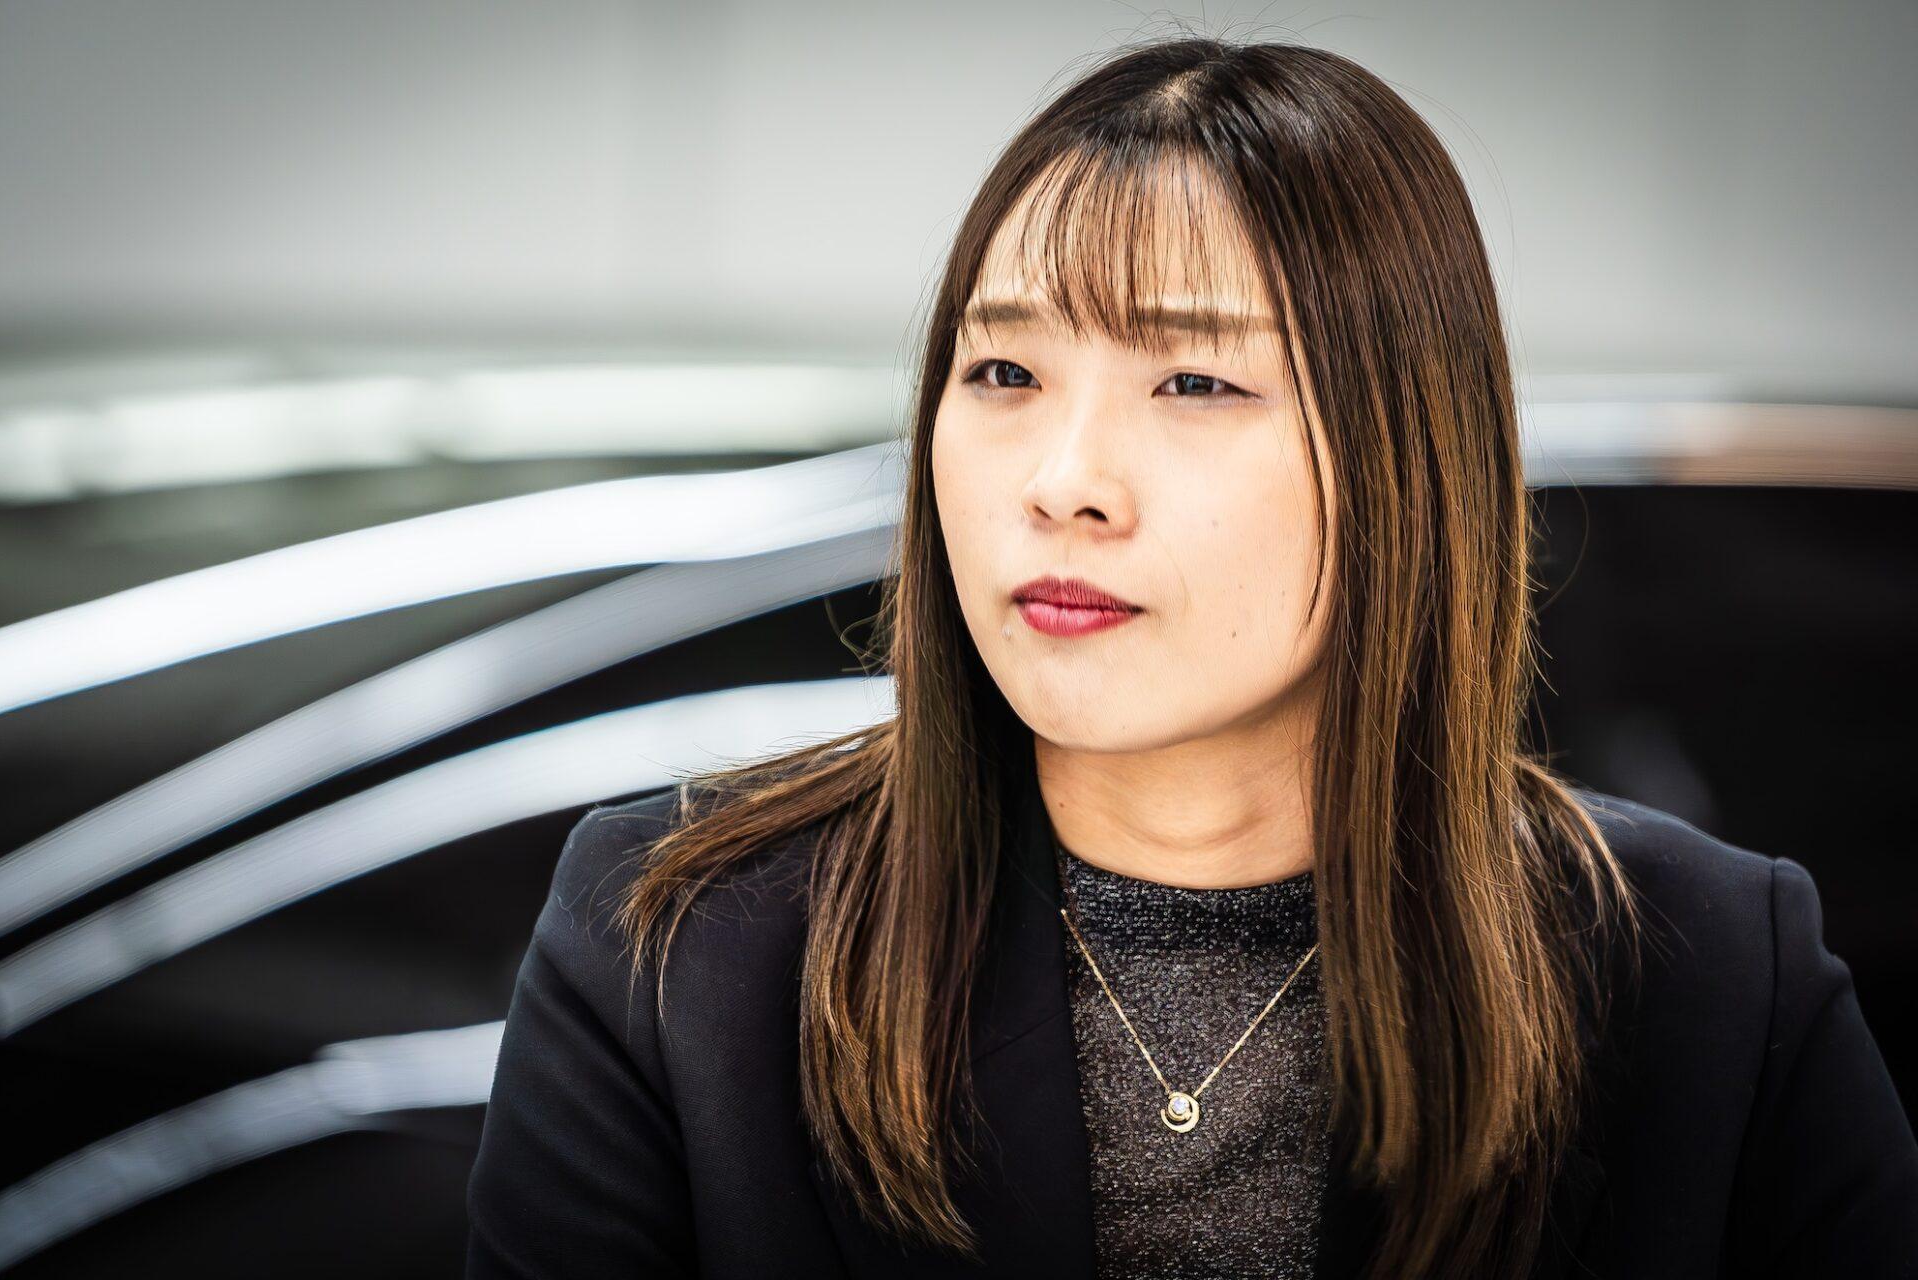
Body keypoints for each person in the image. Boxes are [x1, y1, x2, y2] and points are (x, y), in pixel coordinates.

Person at [464, 34, 1918, 1280]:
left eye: (1196, 381)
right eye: (1005, 372)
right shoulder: (681, 950)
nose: (1065, 482)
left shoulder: (1715, 981)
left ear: (1406, 463)